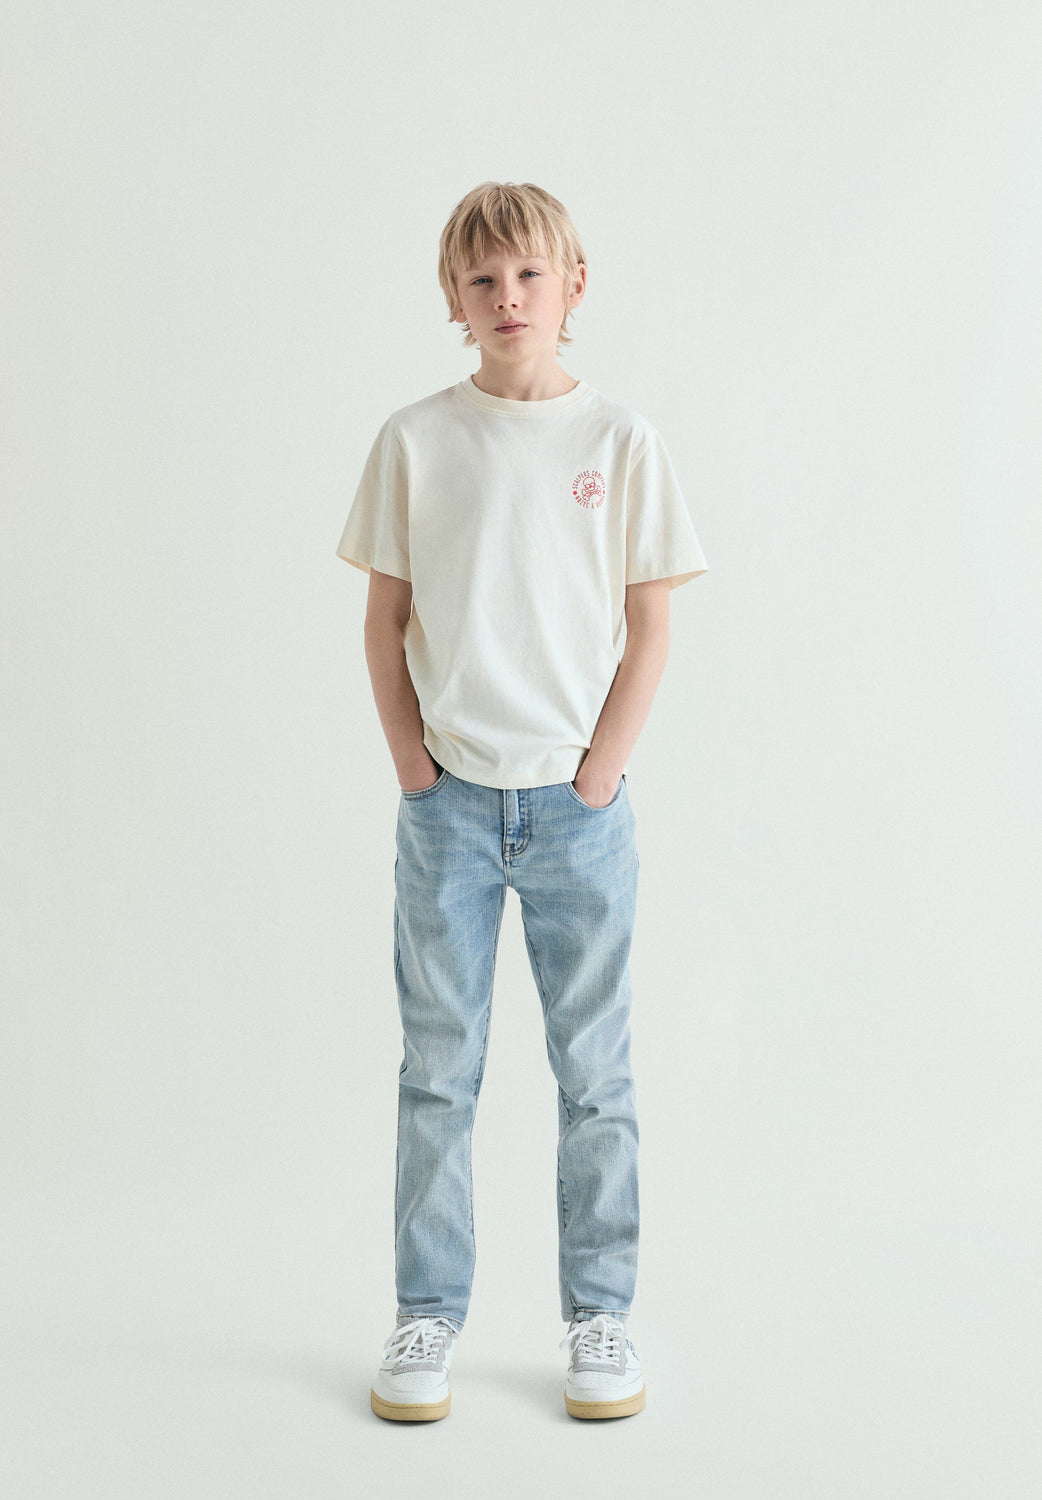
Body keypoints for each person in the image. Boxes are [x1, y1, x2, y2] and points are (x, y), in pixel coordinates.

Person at [335, 181, 709, 1422]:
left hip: (576, 814)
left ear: (572, 285)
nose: (507, 298)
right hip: (446, 808)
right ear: (453, 296)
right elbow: (384, 620)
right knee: (438, 1072)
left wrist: (599, 771)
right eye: (482, 280)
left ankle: (599, 1316)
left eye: (529, 275)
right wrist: (411, 764)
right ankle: (425, 1314)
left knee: (592, 1072)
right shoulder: (415, 439)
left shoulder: (620, 443)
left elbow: (651, 624)